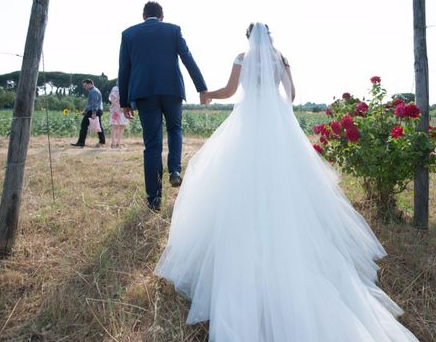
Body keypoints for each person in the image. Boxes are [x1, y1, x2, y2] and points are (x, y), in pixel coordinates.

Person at [155, 23, 419, 341]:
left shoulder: (242, 57)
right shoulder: (281, 58)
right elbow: (291, 95)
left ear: (248, 38)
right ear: (271, 37)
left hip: (249, 120)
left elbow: (229, 92)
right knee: (286, 181)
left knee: (237, 180)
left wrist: (208, 94)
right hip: (277, 123)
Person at [118, 1, 208, 211]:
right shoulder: (173, 30)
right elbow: (188, 59)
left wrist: (124, 102)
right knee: (175, 128)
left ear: (143, 15)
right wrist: (201, 87)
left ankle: (154, 198)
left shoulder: (129, 34)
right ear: (162, 15)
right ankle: (174, 170)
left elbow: (124, 68)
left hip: (144, 92)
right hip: (172, 90)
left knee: (152, 145)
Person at [71, 79, 105, 148]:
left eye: (85, 85)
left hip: (94, 110)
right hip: (97, 110)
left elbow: (94, 103)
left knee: (84, 125)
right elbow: (90, 103)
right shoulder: (93, 91)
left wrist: (94, 113)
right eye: (84, 86)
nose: (84, 87)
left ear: (90, 84)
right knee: (98, 126)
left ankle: (81, 143)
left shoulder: (93, 91)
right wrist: (85, 111)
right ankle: (102, 141)